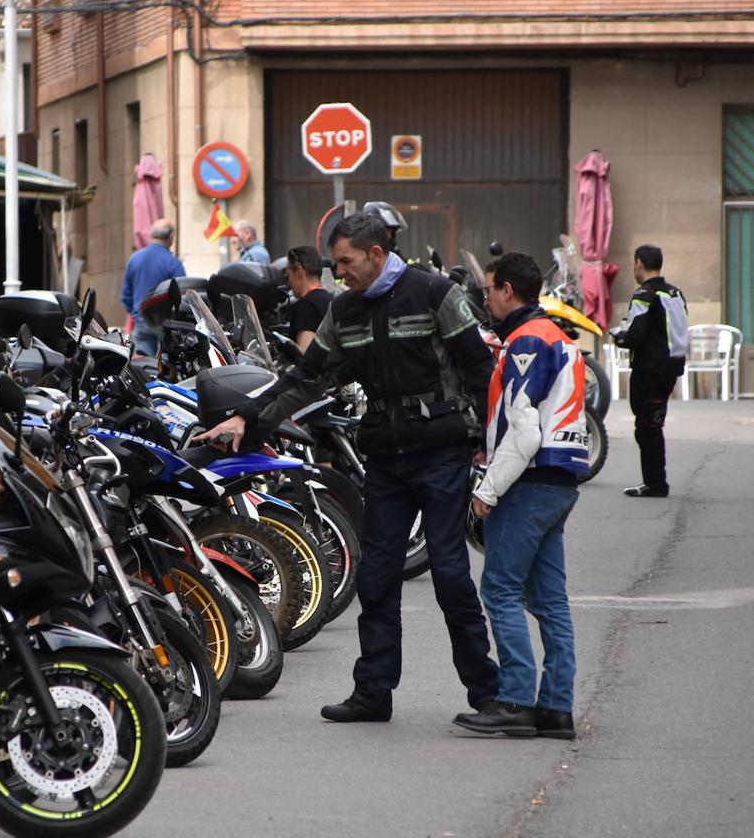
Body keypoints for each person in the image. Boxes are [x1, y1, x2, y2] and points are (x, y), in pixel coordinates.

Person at [196, 212, 499, 724]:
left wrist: (491, 444)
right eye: (335, 264)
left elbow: (480, 371)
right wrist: (247, 421)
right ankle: (373, 693)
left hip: (441, 454)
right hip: (385, 460)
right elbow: (305, 378)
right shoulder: (344, 310)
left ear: (376, 254)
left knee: (450, 575)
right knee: (376, 577)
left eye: (346, 262)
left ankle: (487, 694)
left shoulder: (433, 294)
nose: (340, 274)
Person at [452, 252, 588, 739]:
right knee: (550, 601)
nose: (485, 297)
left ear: (508, 290)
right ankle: (556, 709)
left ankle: (513, 700)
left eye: (489, 289)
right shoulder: (558, 336)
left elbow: (525, 432)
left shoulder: (525, 340)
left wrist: (487, 490)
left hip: (530, 481)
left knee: (500, 589)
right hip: (562, 479)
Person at [610, 245, 687, 498]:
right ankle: (654, 482)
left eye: (634, 264)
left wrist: (619, 337)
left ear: (639, 263)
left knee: (647, 427)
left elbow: (636, 335)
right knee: (652, 423)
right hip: (670, 369)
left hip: (649, 370)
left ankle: (656, 484)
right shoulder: (675, 293)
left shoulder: (644, 293)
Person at [121, 218, 186, 357]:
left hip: (141, 321)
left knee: (143, 366)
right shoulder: (173, 263)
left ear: (151, 235)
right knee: (165, 367)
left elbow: (126, 296)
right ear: (171, 237)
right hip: (167, 324)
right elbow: (182, 296)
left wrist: (135, 313)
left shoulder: (134, 259)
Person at [284, 245, 333, 352]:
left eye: (288, 276)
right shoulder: (332, 300)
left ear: (299, 271)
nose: (289, 283)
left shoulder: (306, 306)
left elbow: (305, 353)